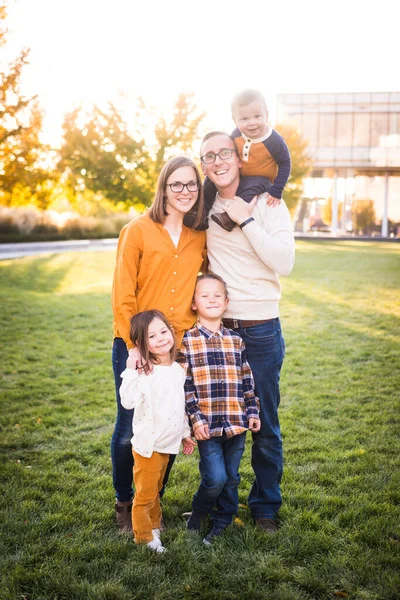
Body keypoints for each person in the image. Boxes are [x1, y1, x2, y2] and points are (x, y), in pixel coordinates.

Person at [200, 131, 295, 532]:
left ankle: (265, 508)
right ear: (204, 165)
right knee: (220, 424)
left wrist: (248, 219)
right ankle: (220, 504)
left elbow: (285, 261)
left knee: (265, 425)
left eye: (224, 152)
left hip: (259, 330)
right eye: (208, 156)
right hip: (218, 333)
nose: (218, 160)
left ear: (239, 158)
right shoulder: (201, 206)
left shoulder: (268, 202)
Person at [111, 156, 207, 532]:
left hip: (177, 347)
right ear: (164, 188)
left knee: (167, 424)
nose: (185, 192)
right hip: (135, 345)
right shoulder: (136, 230)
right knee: (129, 425)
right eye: (177, 184)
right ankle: (125, 502)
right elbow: (122, 292)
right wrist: (134, 346)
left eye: (192, 185)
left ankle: (151, 500)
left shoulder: (199, 234)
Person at [179, 273, 260, 545]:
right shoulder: (187, 341)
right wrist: (195, 419)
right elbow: (185, 385)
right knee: (215, 478)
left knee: (232, 478)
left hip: (236, 424)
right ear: (194, 303)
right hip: (207, 426)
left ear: (226, 303)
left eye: (217, 296)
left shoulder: (236, 341)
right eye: (205, 296)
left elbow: (247, 380)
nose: (211, 299)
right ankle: (197, 516)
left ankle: (222, 522)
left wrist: (253, 412)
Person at [120, 310, 196, 552]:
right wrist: (131, 369)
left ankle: (153, 526)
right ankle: (143, 537)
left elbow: (179, 406)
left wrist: (185, 433)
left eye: (164, 331)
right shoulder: (144, 373)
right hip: (149, 445)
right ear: (142, 344)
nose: (161, 338)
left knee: (155, 489)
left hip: (168, 443)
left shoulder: (176, 369)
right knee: (144, 495)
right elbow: (128, 402)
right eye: (152, 336)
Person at [184, 89, 291, 232]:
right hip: (241, 173)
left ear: (267, 115)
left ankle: (229, 219)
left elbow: (285, 163)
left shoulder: (274, 141)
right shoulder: (235, 134)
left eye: (257, 116)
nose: (252, 123)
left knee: (249, 187)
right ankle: (200, 213)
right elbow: (226, 153)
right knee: (210, 181)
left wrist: (277, 188)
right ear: (235, 121)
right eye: (244, 119)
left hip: (262, 178)